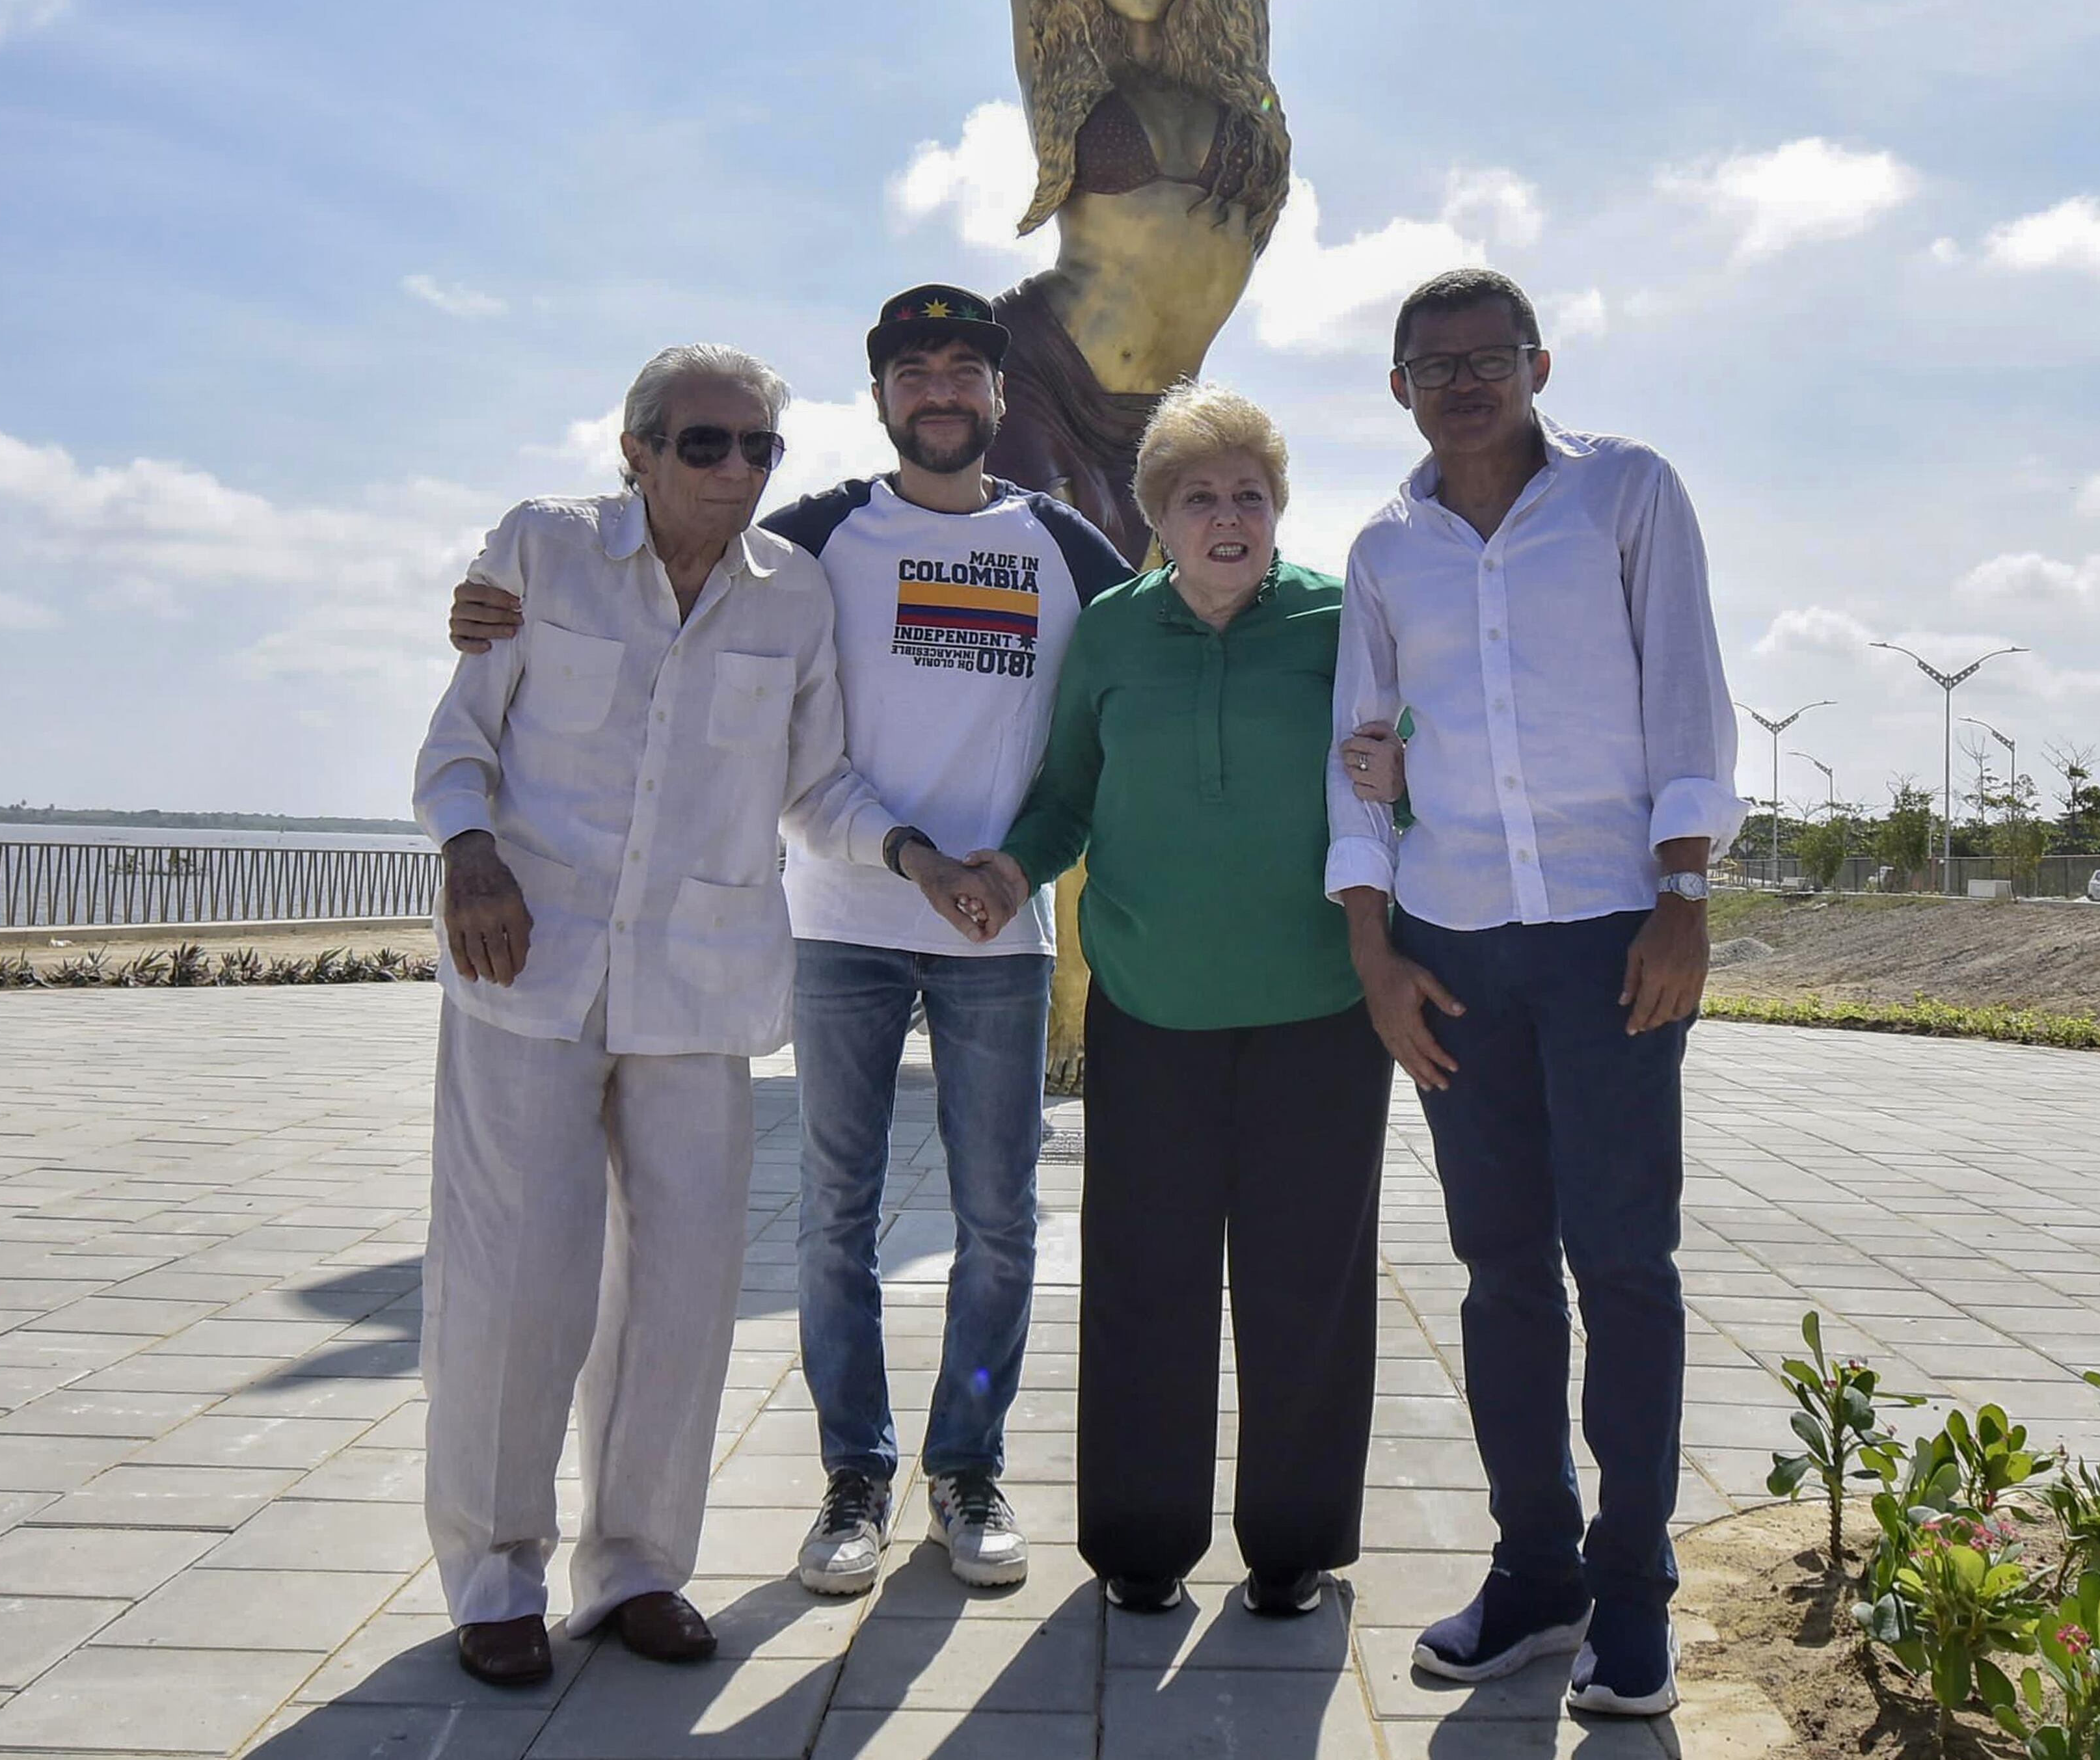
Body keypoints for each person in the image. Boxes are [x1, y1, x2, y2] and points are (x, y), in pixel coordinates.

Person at [444, 284, 1133, 1601]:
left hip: (1000, 929)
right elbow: (659, 559)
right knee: (836, 1217)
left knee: (1001, 1222)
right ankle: (855, 1475)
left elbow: (1165, 644)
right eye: (912, 370)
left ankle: (967, 1465)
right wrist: (485, 607)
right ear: (879, 399)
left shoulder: (1059, 538)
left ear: (998, 398)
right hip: (841, 926)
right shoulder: (815, 533)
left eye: (964, 371)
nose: (940, 390)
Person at [413, 344, 887, 1685]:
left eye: (757, 450)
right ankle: (495, 1572)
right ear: (636, 448)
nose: (734, 470)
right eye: (704, 444)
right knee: (517, 1286)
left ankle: (637, 1566)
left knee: (684, 1291)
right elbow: (457, 742)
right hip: (528, 968)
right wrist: (468, 854)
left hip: (702, 981)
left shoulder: (793, 597)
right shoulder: (540, 549)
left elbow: (820, 786)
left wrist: (916, 855)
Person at [1323, 269, 1744, 1720]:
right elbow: (1358, 751)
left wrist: (1684, 894)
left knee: (1623, 1263)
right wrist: (1374, 951)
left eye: (1487, 357)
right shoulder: (1385, 546)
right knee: (1499, 1270)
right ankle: (1536, 1571)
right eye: (1430, 364)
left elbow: (1685, 687)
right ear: (1396, 387)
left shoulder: (1624, 495)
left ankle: (1633, 1596)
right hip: (1454, 949)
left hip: (1613, 933)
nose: (1461, 382)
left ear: (1538, 363)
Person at [936, 384, 1392, 1620]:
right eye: (1201, 497)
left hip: (1321, 1010)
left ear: (1279, 509)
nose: (1228, 516)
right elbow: (1067, 792)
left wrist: (1409, 776)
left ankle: (1295, 1542)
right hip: (1150, 1006)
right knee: (1147, 1277)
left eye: (1251, 494)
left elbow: (1407, 771)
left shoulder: (1343, 622)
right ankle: (1140, 1541)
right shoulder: (1114, 634)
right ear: (1158, 518)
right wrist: (1006, 870)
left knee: (1311, 1276)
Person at [982, 0, 1293, 559]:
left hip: (1168, 413)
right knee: (1039, 608)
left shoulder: (1239, 76)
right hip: (1040, 371)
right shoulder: (1069, 80)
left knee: (1151, 633)